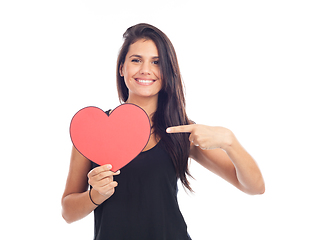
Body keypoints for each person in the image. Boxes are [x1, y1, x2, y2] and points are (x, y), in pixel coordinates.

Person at [61, 23, 265, 240]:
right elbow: (68, 212)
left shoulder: (181, 130)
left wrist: (229, 141)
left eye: (156, 62)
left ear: (167, 70)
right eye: (136, 60)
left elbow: (254, 187)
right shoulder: (92, 130)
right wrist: (95, 195)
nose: (145, 70)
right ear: (122, 68)